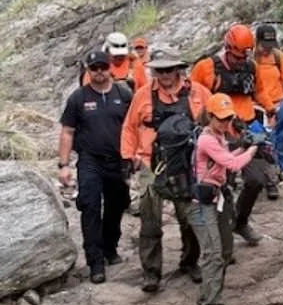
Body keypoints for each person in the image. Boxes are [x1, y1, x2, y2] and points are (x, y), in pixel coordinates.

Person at [121, 48, 211, 292]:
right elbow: (130, 126)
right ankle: (151, 272)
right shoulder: (143, 95)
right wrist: (129, 158)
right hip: (152, 162)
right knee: (150, 220)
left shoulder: (197, 92)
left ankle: (190, 261)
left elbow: (214, 121)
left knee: (189, 217)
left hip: (185, 162)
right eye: (159, 70)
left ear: (178, 69)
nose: (164, 74)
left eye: (169, 69)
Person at [186, 93, 258, 305]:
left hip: (216, 198)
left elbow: (226, 160)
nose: (227, 123)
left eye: (229, 118)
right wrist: (254, 149)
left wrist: (244, 148)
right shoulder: (206, 139)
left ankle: (210, 295)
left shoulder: (219, 137)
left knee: (225, 251)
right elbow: (233, 165)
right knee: (213, 254)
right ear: (210, 116)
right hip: (201, 203)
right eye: (222, 119)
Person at [191, 24, 268, 247]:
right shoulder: (206, 67)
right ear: (227, 48)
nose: (239, 61)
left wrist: (271, 109)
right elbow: (195, 96)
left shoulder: (251, 67)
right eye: (236, 57)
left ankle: (240, 222)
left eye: (243, 56)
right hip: (220, 132)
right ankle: (221, 239)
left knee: (255, 180)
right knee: (222, 185)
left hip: (248, 127)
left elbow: (259, 91)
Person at [59, 49, 132, 283]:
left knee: (117, 204)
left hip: (118, 160)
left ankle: (110, 247)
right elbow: (67, 131)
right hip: (89, 160)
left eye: (102, 67)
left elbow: (134, 125)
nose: (99, 72)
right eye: (94, 68)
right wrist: (63, 165)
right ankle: (95, 261)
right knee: (90, 206)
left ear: (110, 66)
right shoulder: (78, 98)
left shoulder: (124, 93)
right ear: (88, 71)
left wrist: (137, 154)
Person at [254, 23, 283, 200]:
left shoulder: (278, 57)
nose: (267, 49)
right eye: (264, 45)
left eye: (270, 45)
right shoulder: (251, 60)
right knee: (263, 144)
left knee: (281, 140)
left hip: (278, 105)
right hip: (258, 107)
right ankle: (270, 182)